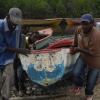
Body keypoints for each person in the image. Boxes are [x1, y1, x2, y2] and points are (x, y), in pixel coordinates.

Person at [0, 7, 30, 100]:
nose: (14, 26)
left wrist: (17, 55)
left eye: (16, 23)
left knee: (9, 76)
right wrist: (19, 50)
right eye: (12, 23)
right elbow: (2, 46)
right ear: (8, 17)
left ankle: (5, 97)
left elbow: (17, 40)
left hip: (9, 55)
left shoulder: (18, 26)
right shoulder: (0, 26)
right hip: (3, 50)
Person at [70, 14, 100, 100]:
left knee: (91, 82)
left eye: (86, 23)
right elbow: (75, 42)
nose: (84, 26)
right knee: (75, 73)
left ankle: (89, 95)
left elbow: (93, 53)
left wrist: (78, 49)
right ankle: (79, 85)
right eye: (82, 23)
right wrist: (72, 47)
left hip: (95, 60)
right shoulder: (79, 29)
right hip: (83, 56)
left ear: (92, 24)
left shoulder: (97, 35)